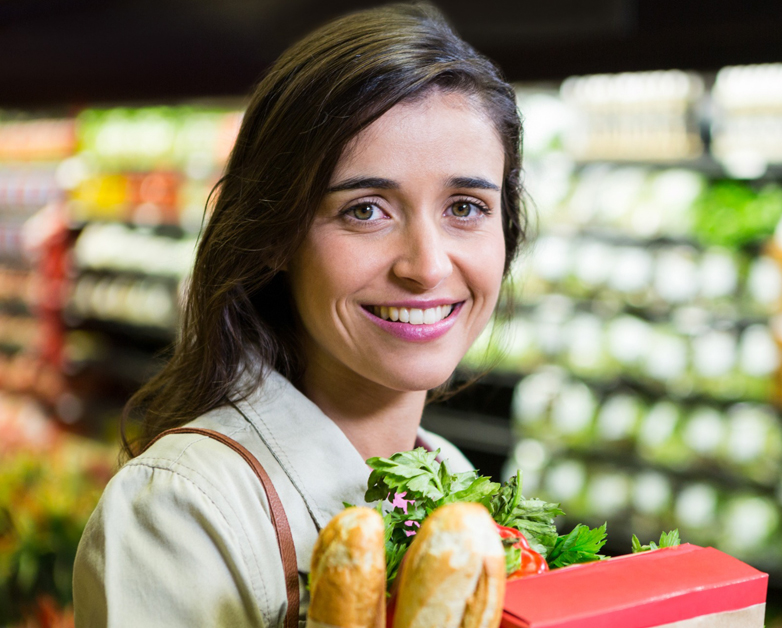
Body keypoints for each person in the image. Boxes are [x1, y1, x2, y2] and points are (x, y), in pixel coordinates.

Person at [72, 3, 525, 626]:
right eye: (366, 209)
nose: (426, 265)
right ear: (276, 238)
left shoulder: (452, 476)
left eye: (466, 207)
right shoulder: (179, 512)